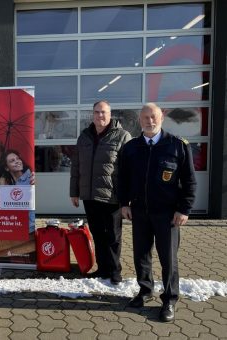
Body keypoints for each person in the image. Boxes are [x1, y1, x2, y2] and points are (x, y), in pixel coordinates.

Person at [118, 103, 197, 322]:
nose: (149, 121)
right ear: (139, 120)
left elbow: (189, 181)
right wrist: (124, 204)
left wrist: (184, 209)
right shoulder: (131, 148)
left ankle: (169, 300)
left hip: (167, 215)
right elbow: (122, 179)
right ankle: (145, 291)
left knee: (168, 260)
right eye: (145, 118)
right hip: (140, 212)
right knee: (141, 255)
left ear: (161, 117)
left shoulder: (177, 146)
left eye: (153, 117)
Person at [70, 100, 131, 285]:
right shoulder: (84, 137)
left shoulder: (122, 136)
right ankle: (102, 269)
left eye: (103, 112)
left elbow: (129, 170)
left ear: (110, 114)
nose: (100, 116)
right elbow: (76, 167)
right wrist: (74, 192)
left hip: (112, 197)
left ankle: (115, 271)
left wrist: (126, 200)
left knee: (113, 236)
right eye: (96, 112)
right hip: (90, 196)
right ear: (92, 114)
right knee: (97, 233)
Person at [0, 150, 36, 258]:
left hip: (27, 227)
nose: (17, 161)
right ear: (7, 168)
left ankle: (32, 246)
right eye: (12, 161)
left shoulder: (30, 178)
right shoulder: (12, 183)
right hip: (16, 225)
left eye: (18, 159)